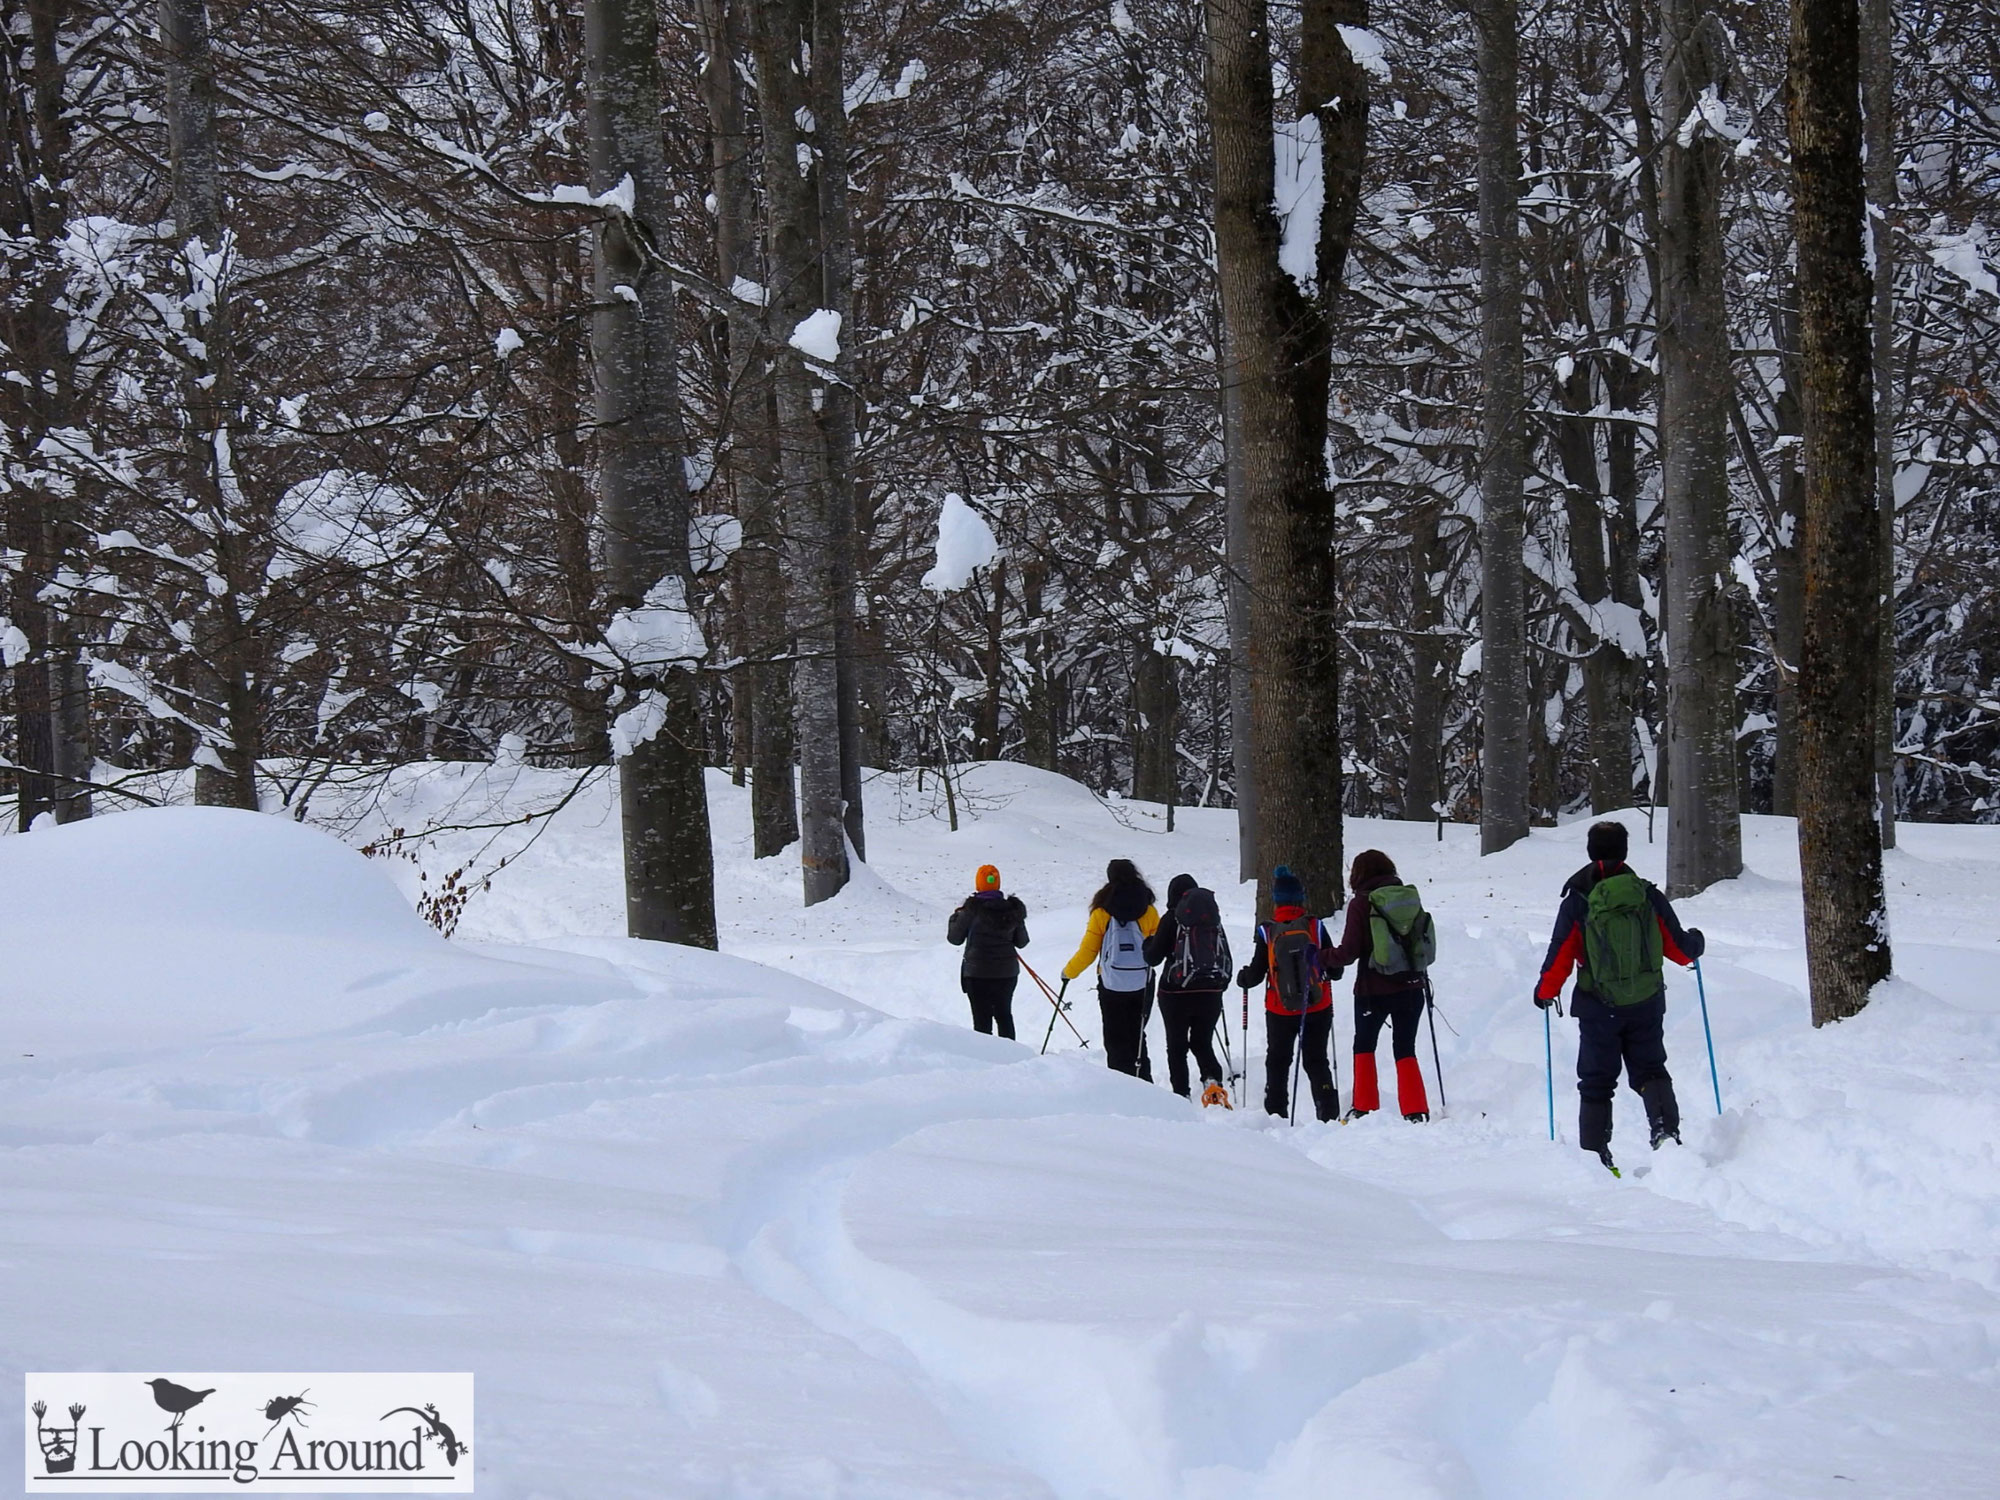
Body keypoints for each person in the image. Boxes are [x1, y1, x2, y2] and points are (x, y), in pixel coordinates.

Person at [1535, 819, 1706, 1173]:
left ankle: (1595, 1156)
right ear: (1626, 852)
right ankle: (1665, 1133)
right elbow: (1679, 949)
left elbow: (1561, 953)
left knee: (1597, 1081)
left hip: (1599, 1006)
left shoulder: (1579, 899)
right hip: (1645, 1002)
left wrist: (1545, 991)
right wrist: (1696, 942)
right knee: (1651, 1070)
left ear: (1589, 851)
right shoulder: (1646, 894)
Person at [1323, 849, 1433, 1123]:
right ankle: (1415, 1110)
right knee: (1405, 1047)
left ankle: (1364, 1106)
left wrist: (1320, 956)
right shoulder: (1408, 898)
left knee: (1364, 1045)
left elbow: (1348, 952)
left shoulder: (1362, 903)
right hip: (1412, 985)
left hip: (1374, 990)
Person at [1235, 864, 1339, 1121]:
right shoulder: (1315, 926)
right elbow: (1335, 971)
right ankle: (1327, 1111)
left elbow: (1257, 974)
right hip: (1317, 1004)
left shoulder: (1267, 930)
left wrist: (1244, 978)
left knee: (1278, 1061)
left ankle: (1276, 1113)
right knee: (1317, 1060)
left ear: (1277, 900)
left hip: (1279, 1008)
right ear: (1301, 898)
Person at [1061, 859, 1159, 1078]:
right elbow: (1157, 948)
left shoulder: (1101, 912)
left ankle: (1118, 1083)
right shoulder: (1149, 910)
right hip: (1142, 982)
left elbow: (1088, 951)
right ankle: (1144, 1083)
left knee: (1114, 1038)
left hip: (1111, 983)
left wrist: (1069, 972)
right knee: (1137, 1035)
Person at [1143, 873, 1233, 1107]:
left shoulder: (1171, 919)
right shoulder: (1212, 920)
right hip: (1210, 992)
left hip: (1175, 994)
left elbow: (1153, 957)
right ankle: (1213, 1085)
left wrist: (1147, 944)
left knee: (1177, 1045)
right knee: (1202, 1041)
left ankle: (1181, 1096)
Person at [946, 864, 1029, 1039]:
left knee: (981, 1020)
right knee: (1004, 1015)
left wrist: (955, 917)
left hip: (977, 973)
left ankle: (987, 1058)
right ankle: (1011, 1055)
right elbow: (1022, 942)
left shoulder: (971, 910)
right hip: (1006, 973)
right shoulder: (1012, 910)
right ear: (997, 884)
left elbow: (954, 939)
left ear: (978, 884)